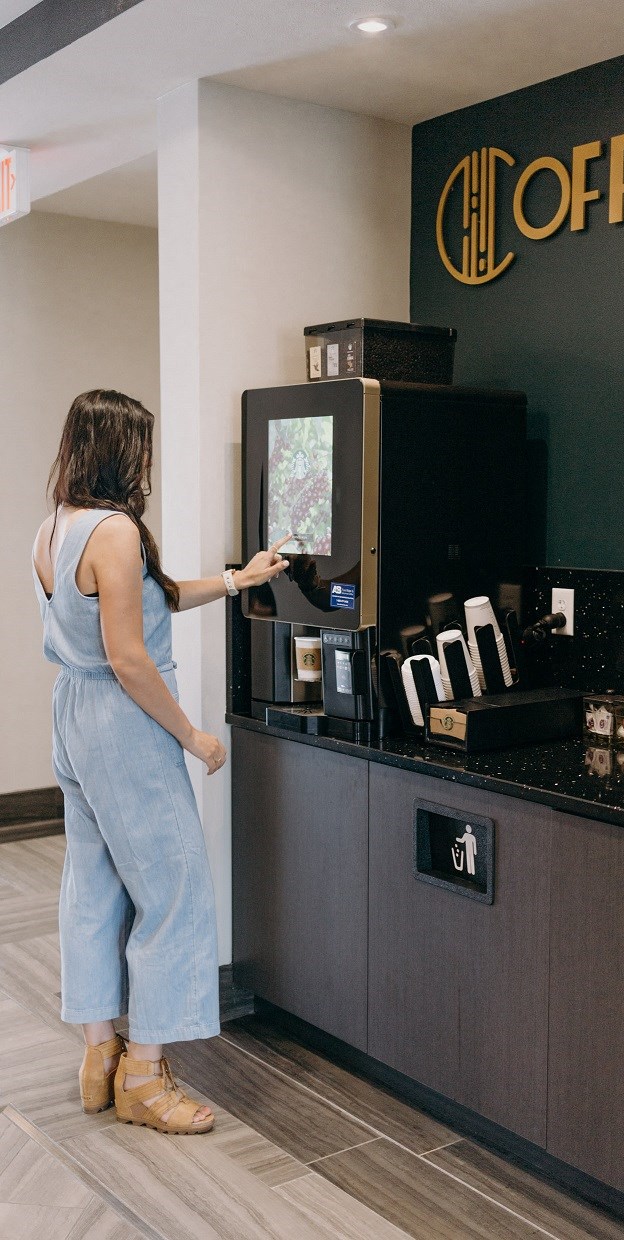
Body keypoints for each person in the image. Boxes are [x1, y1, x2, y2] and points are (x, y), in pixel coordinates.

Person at [31, 390, 291, 1135]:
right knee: (176, 890)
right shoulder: (114, 530)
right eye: (141, 445)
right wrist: (192, 736)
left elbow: (153, 601)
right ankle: (144, 1075)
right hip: (124, 723)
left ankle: (100, 1055)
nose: (149, 460)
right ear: (118, 450)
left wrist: (242, 579)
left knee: (93, 883)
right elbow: (130, 657)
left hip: (74, 715)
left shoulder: (55, 528)